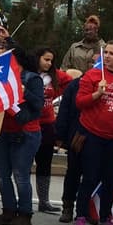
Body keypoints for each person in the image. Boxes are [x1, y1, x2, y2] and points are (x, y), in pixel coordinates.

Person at [71, 40, 113, 225]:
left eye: (112, 53)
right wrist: (97, 94)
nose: (107, 56)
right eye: (105, 52)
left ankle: (105, 218)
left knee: (109, 179)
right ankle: (80, 216)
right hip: (92, 134)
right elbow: (79, 103)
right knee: (89, 177)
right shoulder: (92, 75)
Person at [0, 48, 45, 225]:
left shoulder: (31, 78)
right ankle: (8, 210)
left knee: (20, 175)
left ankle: (25, 213)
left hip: (26, 132)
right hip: (4, 130)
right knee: (2, 174)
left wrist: (23, 91)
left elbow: (38, 104)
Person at [34, 48, 72, 213]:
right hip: (28, 123)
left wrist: (57, 93)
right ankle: (20, 200)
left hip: (47, 124)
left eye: (51, 60)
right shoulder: (29, 73)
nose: (49, 63)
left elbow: (70, 81)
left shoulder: (54, 75)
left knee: (44, 163)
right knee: (22, 165)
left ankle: (44, 201)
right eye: (46, 59)